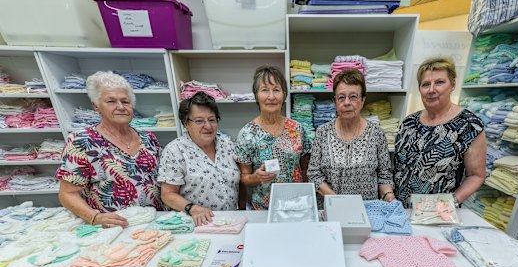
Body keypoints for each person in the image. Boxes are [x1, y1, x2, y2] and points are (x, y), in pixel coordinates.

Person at [56, 71, 164, 228]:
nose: (120, 107)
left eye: (125, 101)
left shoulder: (148, 138)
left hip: (154, 220)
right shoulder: (82, 142)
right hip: (114, 226)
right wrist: (95, 218)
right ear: (96, 106)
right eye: (111, 101)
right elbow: (67, 193)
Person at [393, 56, 486, 206]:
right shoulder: (408, 123)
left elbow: (476, 176)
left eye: (439, 82)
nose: (431, 90)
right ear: (419, 89)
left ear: (453, 84)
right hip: (401, 210)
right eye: (425, 84)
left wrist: (451, 203)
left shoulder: (469, 125)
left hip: (438, 215)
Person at [307, 69, 394, 205]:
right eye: (341, 97)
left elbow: (384, 176)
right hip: (331, 211)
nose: (347, 102)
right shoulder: (322, 132)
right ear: (334, 101)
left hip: (367, 212)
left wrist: (389, 196)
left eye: (353, 97)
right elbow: (314, 175)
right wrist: (338, 201)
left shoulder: (377, 133)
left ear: (363, 100)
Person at [235, 65, 312, 210]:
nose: (271, 97)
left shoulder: (297, 129)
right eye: (265, 90)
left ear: (284, 95)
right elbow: (243, 177)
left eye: (276, 90)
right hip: (263, 209)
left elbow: (305, 167)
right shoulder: (247, 134)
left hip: (297, 205)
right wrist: (255, 177)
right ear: (256, 95)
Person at [158, 92, 240, 226]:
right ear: (186, 123)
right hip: (197, 223)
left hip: (231, 220)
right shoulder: (175, 151)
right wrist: (192, 208)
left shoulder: (228, 144)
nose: (207, 126)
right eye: (199, 121)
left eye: (212, 120)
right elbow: (167, 194)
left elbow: (239, 182)